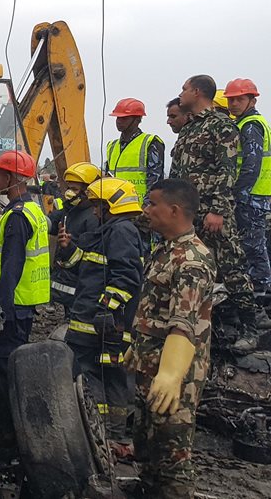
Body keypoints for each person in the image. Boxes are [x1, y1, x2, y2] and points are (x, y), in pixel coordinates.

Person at [171, 74, 270, 347]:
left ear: (198, 92)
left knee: (233, 268)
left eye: (184, 88)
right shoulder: (190, 128)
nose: (181, 93)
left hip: (212, 212)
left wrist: (218, 211)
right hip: (189, 213)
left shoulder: (221, 126)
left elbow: (227, 172)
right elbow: (179, 173)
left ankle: (252, 326)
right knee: (194, 268)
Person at [132, 179, 215, 498]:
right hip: (152, 366)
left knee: (172, 461)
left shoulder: (191, 260)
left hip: (176, 376)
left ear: (174, 210)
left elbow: (183, 324)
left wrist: (170, 376)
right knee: (151, 455)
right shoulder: (165, 249)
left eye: (152, 204)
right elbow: (155, 311)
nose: (147, 210)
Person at [61, 178, 144, 446]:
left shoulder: (121, 232)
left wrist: (107, 310)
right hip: (93, 320)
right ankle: (109, 434)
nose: (94, 211)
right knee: (105, 376)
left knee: (98, 376)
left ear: (113, 206)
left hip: (102, 325)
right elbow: (85, 268)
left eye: (99, 206)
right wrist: (69, 249)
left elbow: (127, 277)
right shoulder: (108, 232)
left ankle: (106, 435)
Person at [0, 150, 51, 376]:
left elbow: (11, 266)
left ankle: (5, 410)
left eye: (0, 175)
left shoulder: (17, 216)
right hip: (22, 305)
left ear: (11, 178)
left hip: (11, 307)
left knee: (4, 365)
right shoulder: (32, 210)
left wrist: (0, 310)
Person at [224, 78, 271, 294]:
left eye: (238, 99)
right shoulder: (245, 123)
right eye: (230, 99)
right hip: (255, 195)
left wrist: (237, 195)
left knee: (253, 247)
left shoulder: (250, 125)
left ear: (252, 100)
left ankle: (261, 295)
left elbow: (251, 165)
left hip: (251, 196)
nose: (233, 104)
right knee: (253, 246)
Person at [49, 162, 103, 314]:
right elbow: (51, 223)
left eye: (74, 189)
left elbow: (91, 260)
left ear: (88, 191)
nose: (69, 193)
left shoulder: (93, 217)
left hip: (82, 287)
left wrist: (69, 246)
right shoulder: (70, 210)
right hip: (69, 284)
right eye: (68, 188)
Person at [105, 98, 164, 205]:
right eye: (118, 117)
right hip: (115, 207)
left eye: (124, 118)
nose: (119, 121)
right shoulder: (112, 146)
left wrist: (148, 206)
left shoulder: (150, 142)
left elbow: (155, 180)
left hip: (139, 207)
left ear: (137, 120)